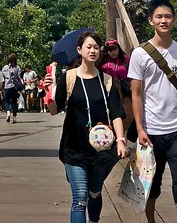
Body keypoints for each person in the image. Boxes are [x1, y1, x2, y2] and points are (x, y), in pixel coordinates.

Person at [127, 0, 177, 223]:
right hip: (150, 132)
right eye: (159, 16)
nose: (164, 20)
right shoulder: (140, 54)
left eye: (168, 16)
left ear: (174, 20)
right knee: (150, 185)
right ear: (151, 21)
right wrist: (139, 128)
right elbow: (136, 93)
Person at [44, 31, 127, 223]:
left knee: (94, 193)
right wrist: (48, 93)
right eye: (89, 47)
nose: (93, 50)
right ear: (79, 50)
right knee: (80, 199)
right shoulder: (70, 78)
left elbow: (116, 113)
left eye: (96, 47)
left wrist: (121, 140)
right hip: (75, 147)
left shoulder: (107, 81)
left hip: (102, 150)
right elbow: (55, 110)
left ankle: (94, 219)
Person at [98, 38, 134, 135]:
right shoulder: (103, 62)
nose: (113, 52)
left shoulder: (125, 59)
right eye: (110, 50)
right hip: (108, 88)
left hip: (125, 89)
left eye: (115, 49)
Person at [1, 53, 23, 123]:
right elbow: (19, 78)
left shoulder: (5, 67)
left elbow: (2, 78)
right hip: (14, 87)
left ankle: (8, 112)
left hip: (7, 87)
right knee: (14, 102)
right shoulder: (17, 68)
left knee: (7, 101)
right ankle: (14, 117)